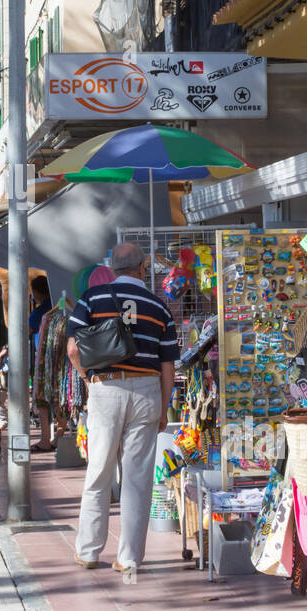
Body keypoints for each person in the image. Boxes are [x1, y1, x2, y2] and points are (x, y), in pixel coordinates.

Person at [67, 241, 178, 574]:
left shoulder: (91, 299)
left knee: (98, 471)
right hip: (147, 391)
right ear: (143, 268)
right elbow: (169, 365)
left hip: (106, 388)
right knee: (137, 479)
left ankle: (88, 551)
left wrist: (88, 379)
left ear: (112, 268)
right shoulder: (159, 306)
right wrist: (164, 406)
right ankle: (128, 559)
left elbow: (73, 349)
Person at [28, 275, 58, 452]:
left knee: (42, 399)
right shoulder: (58, 306)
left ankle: (46, 438)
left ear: (38, 292)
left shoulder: (39, 312)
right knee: (59, 398)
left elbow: (27, 331)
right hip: (61, 359)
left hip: (43, 359)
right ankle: (60, 436)